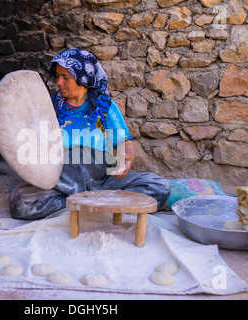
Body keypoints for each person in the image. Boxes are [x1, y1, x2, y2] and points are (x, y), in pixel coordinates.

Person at [9, 48, 170, 220]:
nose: (59, 82)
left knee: (159, 186)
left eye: (66, 77)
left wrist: (125, 159)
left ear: (82, 78)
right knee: (21, 204)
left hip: (102, 179)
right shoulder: (50, 107)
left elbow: (123, 142)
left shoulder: (104, 106)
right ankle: (92, 204)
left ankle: (82, 204)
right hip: (63, 179)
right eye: (57, 76)